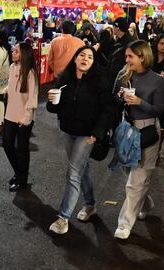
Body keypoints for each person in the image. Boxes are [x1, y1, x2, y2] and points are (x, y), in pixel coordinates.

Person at [46, 46, 116, 234]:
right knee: (81, 169)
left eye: (90, 57)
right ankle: (90, 204)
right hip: (68, 131)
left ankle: (63, 218)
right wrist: (52, 101)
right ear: (75, 59)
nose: (85, 58)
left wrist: (99, 131)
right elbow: (52, 108)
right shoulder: (64, 80)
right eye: (82, 55)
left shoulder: (99, 82)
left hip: (87, 134)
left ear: (93, 62)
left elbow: (107, 109)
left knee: (73, 173)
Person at [113, 40, 164, 240]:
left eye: (130, 56)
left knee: (136, 180)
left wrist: (140, 102)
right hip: (127, 128)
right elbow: (114, 100)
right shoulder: (125, 75)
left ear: (143, 57)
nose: (126, 60)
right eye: (126, 56)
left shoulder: (157, 81)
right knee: (130, 172)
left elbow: (159, 110)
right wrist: (120, 96)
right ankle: (145, 203)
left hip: (146, 131)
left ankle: (125, 224)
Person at [3, 42, 38, 192]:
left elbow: (32, 98)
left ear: (23, 54)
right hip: (10, 114)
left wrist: (26, 118)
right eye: (13, 50)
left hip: (24, 118)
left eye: (16, 51)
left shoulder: (30, 73)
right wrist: (5, 90)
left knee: (22, 149)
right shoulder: (12, 67)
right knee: (7, 144)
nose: (13, 52)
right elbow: (12, 86)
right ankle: (19, 172)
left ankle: (22, 179)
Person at [110, 17, 136, 81]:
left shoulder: (129, 43)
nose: (112, 29)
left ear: (117, 27)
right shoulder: (119, 40)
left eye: (113, 26)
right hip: (116, 76)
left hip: (123, 78)